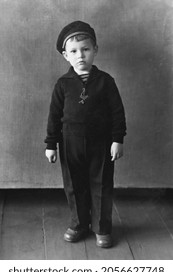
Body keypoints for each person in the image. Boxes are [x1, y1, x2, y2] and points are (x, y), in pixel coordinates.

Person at [44, 21, 126, 248]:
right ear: (65, 55)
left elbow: (118, 113)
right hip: (70, 142)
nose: (80, 56)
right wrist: (51, 144)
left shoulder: (106, 82)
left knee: (101, 184)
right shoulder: (63, 84)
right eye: (73, 51)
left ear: (95, 50)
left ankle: (102, 227)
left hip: (102, 143)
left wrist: (117, 139)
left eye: (86, 49)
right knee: (74, 184)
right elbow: (54, 116)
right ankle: (79, 223)